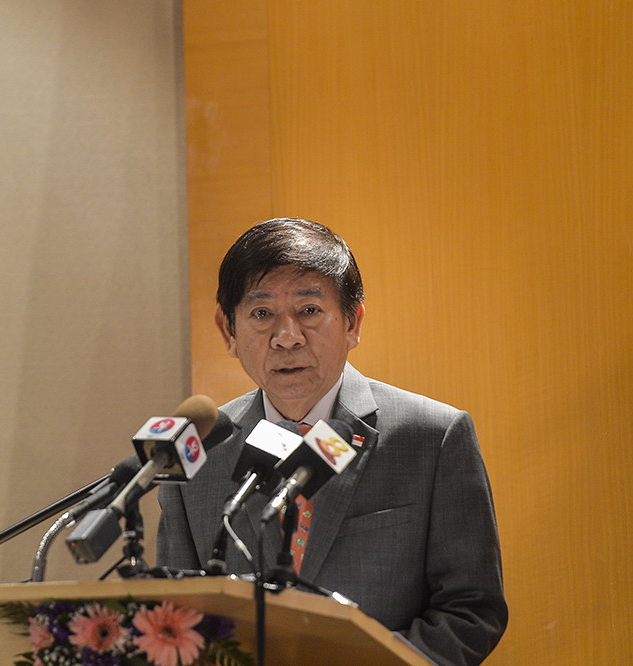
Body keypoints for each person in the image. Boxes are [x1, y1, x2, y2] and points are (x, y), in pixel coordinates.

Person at [156, 218, 508, 666]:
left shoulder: (432, 437)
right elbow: (174, 621)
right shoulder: (198, 448)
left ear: (352, 322)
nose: (287, 337)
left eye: (309, 310)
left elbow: (471, 611)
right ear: (229, 331)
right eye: (261, 314)